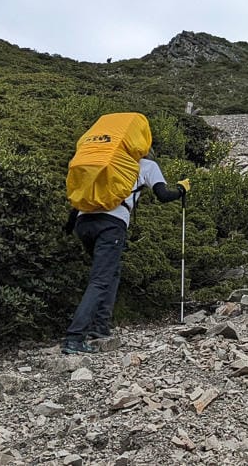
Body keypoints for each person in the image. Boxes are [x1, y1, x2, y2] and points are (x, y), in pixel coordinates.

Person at [61, 151, 190, 354]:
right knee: (101, 279)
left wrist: (69, 227)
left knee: (111, 272)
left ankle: (101, 327)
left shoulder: (106, 160)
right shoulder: (146, 165)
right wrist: (181, 189)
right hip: (111, 224)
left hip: (83, 222)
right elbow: (163, 195)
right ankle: (74, 338)